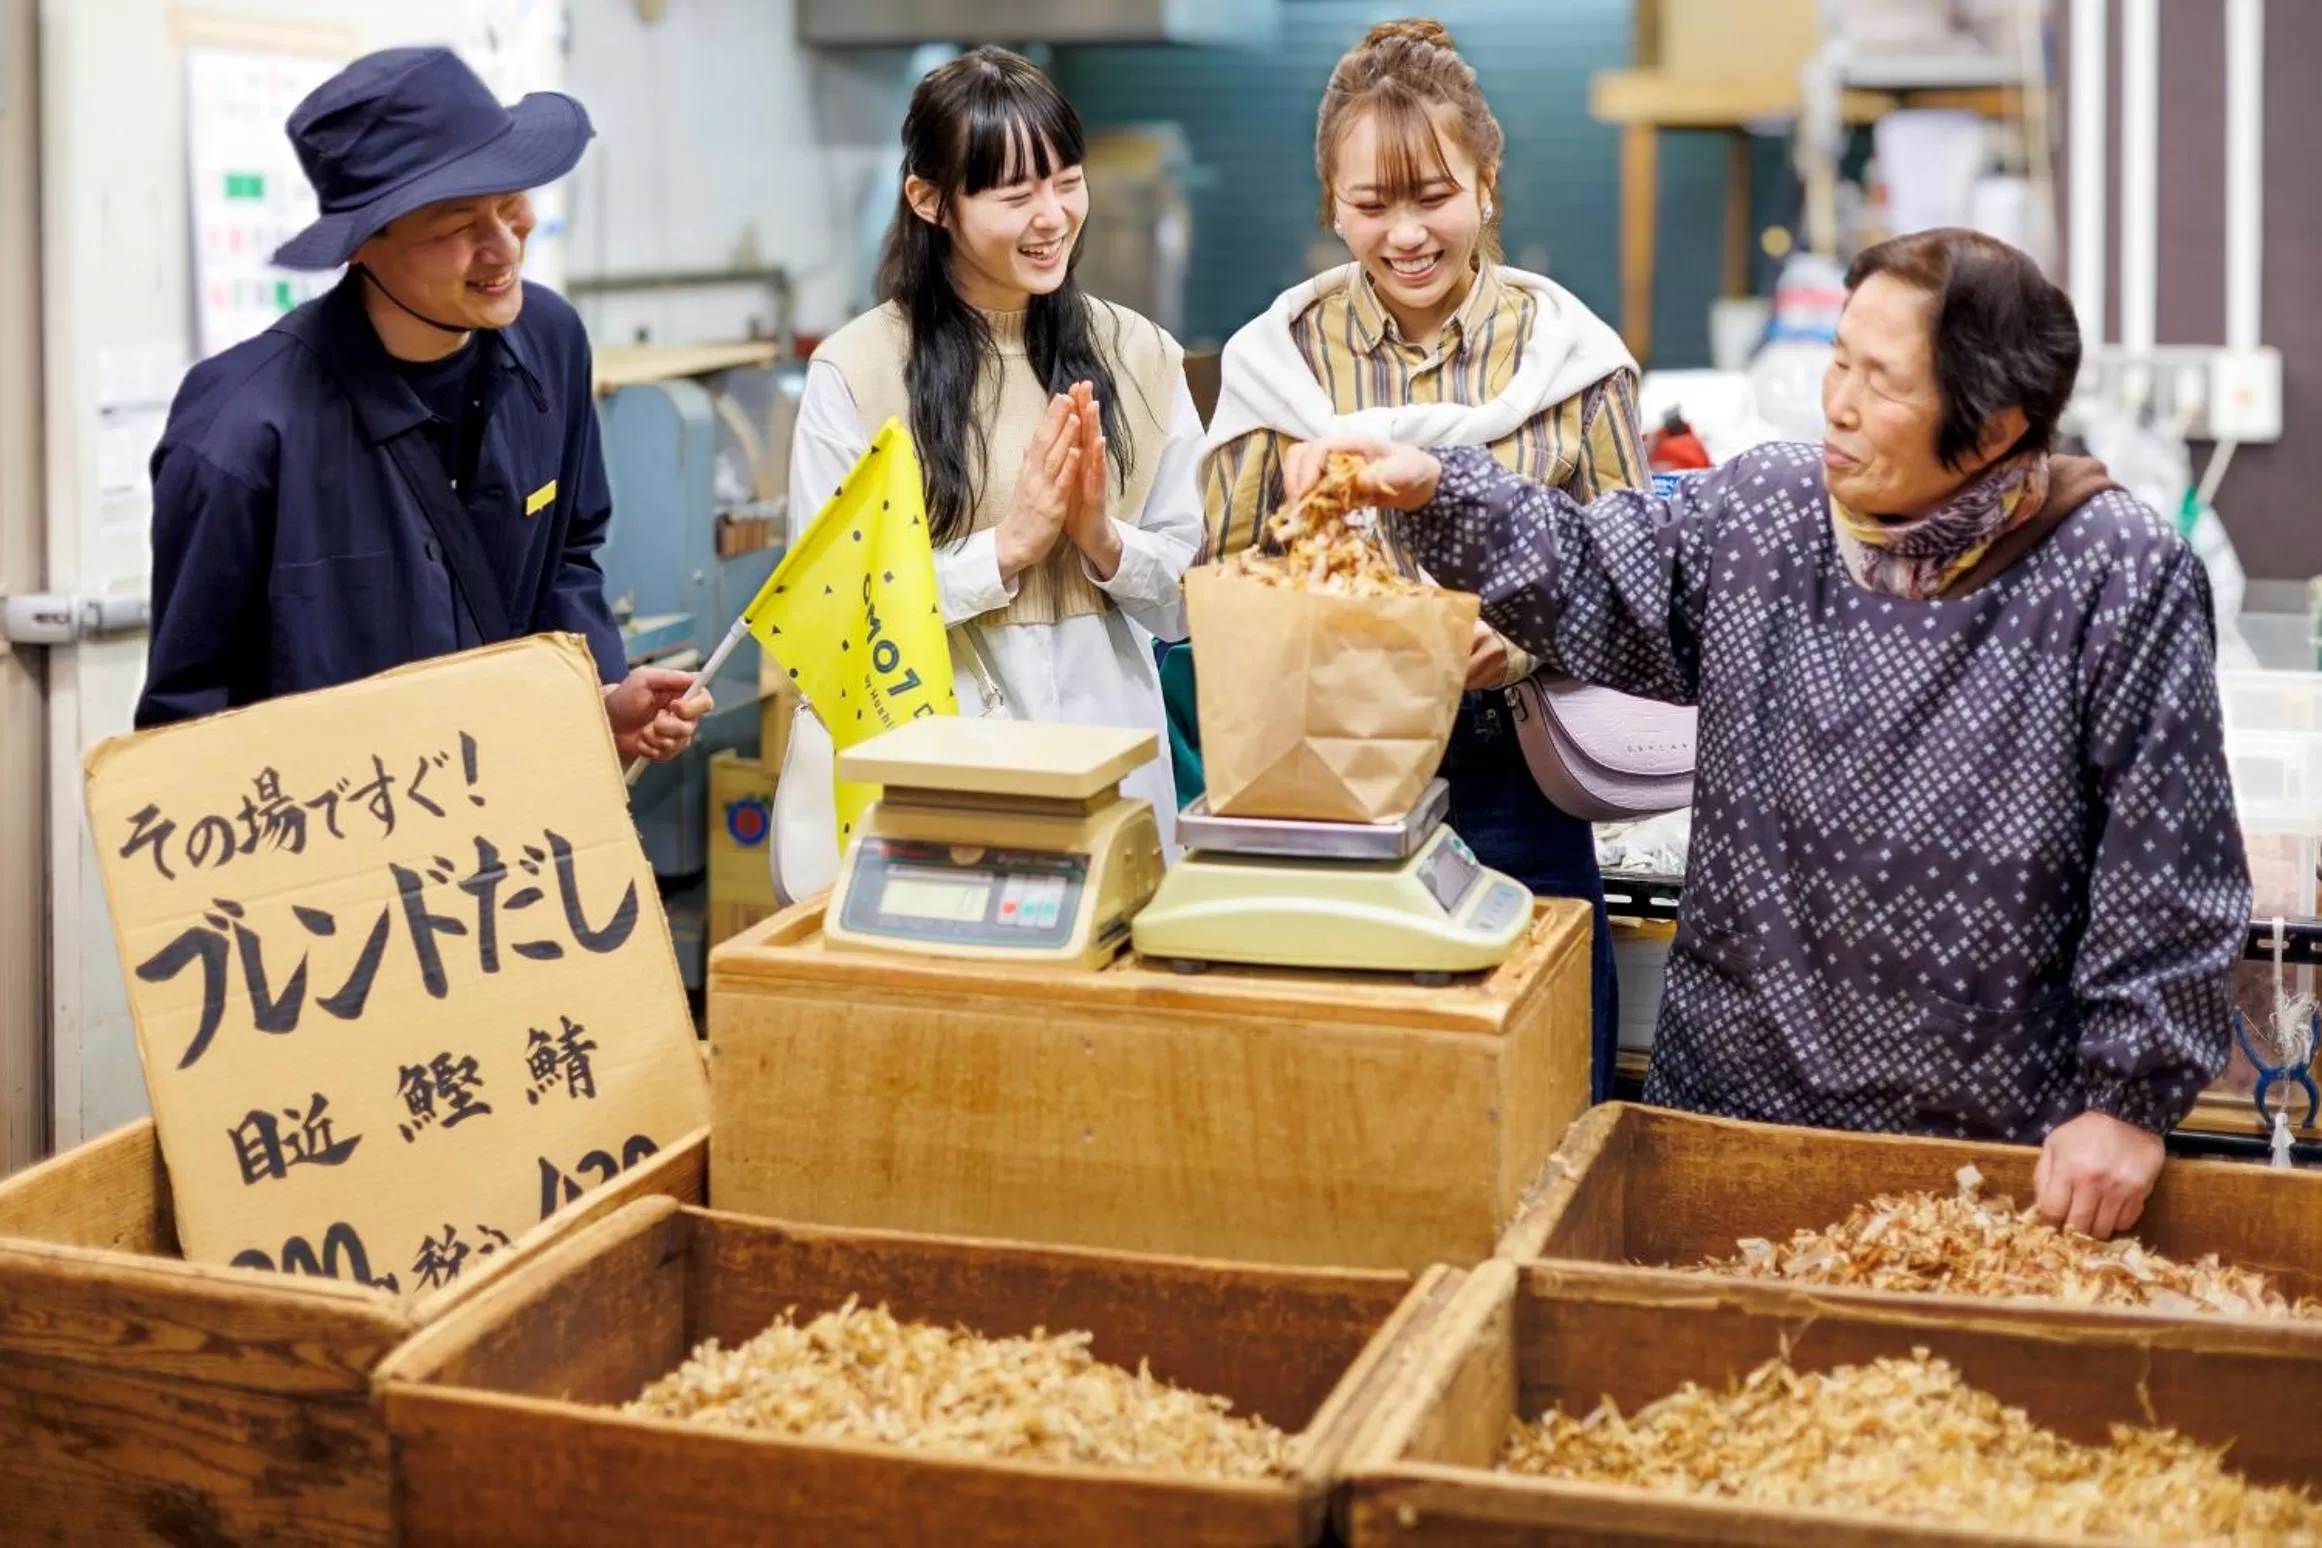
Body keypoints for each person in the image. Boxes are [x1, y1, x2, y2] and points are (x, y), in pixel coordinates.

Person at [1284, 228, 2249, 1239]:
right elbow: (1584, 566)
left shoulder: (2118, 576)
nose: (1837, 402)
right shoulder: (1767, 513)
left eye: (1880, 382)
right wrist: (1436, 483)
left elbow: (2169, 863)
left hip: (1983, 1163)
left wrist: (2125, 1102)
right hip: (1732, 1125)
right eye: (1838, 359)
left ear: (1998, 422)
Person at [1200, 18, 1645, 1100]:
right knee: (1352, 1098)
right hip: (1323, 779)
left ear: (1488, 187)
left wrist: (1527, 646)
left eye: (1433, 196)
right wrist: (1299, 539)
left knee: (1542, 1090)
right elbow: (1216, 586)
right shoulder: (1278, 366)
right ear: (1330, 206)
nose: (1405, 233)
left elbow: (1636, 585)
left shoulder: (1572, 363)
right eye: (1371, 205)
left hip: (1517, 774)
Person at [138, 47, 706, 766]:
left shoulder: (550, 344)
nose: (503, 247)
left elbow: (567, 556)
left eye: (510, 204)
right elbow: (186, 720)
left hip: (514, 811)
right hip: (338, 838)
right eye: (455, 225)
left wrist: (595, 700)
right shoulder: (242, 428)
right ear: (362, 247)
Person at [786, 46, 1202, 856]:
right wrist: (1005, 550)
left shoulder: (1143, 355)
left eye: (1067, 181)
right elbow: (830, 619)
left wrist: (1102, 541)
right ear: (930, 201)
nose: (1052, 216)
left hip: (1119, 769)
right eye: (1016, 195)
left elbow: (1191, 600)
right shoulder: (857, 371)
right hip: (936, 776)